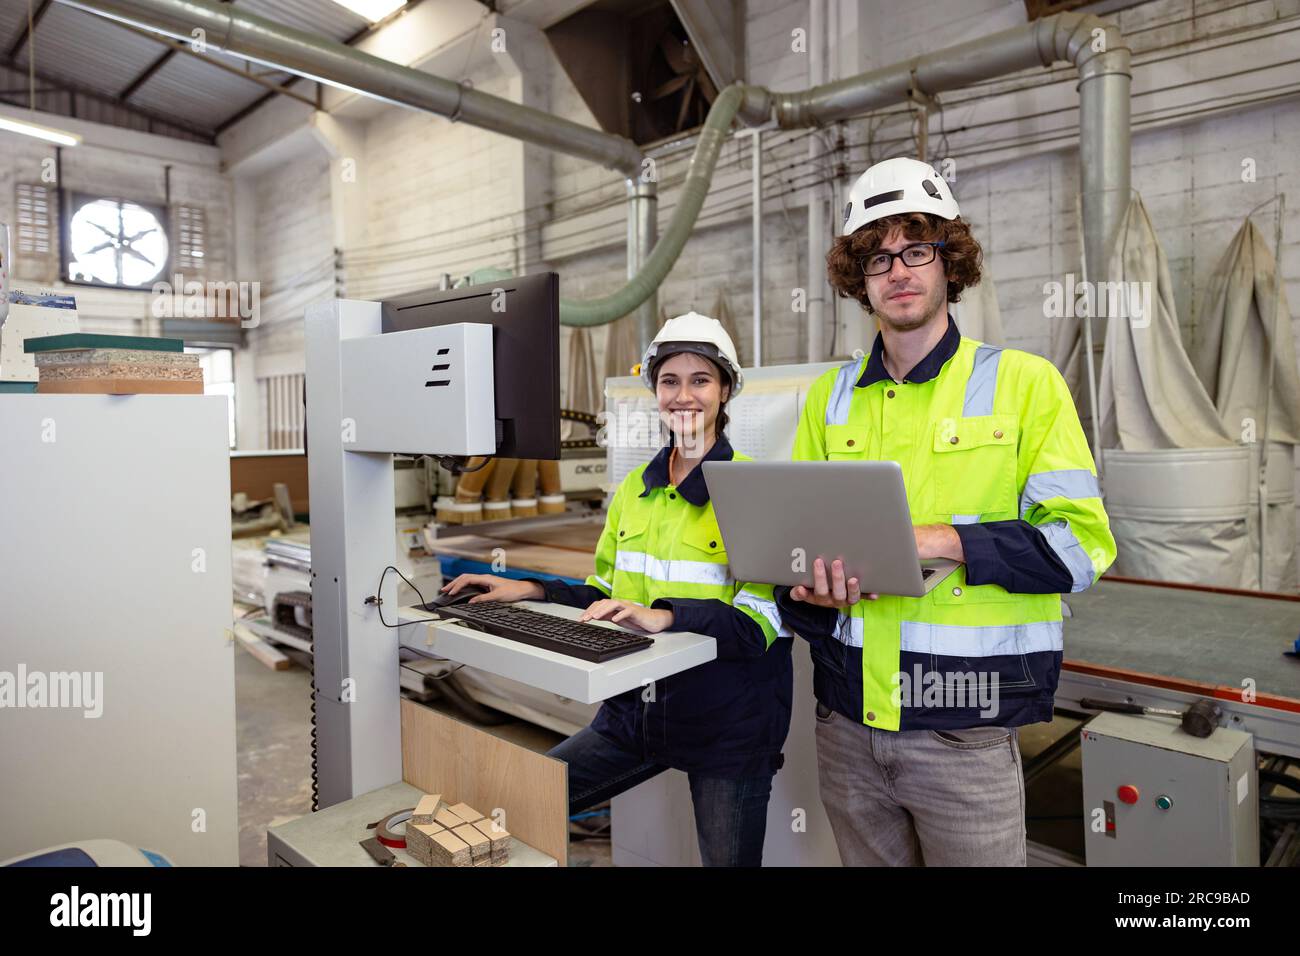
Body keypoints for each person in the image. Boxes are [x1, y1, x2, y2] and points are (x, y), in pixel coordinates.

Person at [775, 157, 1116, 866]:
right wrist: (808, 587)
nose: (897, 270)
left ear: (947, 261)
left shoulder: (1025, 385)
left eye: (916, 249)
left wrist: (943, 539)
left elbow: (1080, 549)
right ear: (857, 278)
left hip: (965, 730)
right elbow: (797, 554)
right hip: (846, 724)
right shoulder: (828, 399)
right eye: (877, 256)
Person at [441, 312, 791, 866]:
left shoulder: (756, 490)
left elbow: (762, 628)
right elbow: (603, 592)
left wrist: (667, 616)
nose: (683, 396)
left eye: (700, 380)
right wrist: (527, 588)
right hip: (637, 716)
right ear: (655, 392)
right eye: (669, 381)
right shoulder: (635, 491)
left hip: (727, 727)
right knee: (521, 803)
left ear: (726, 390)